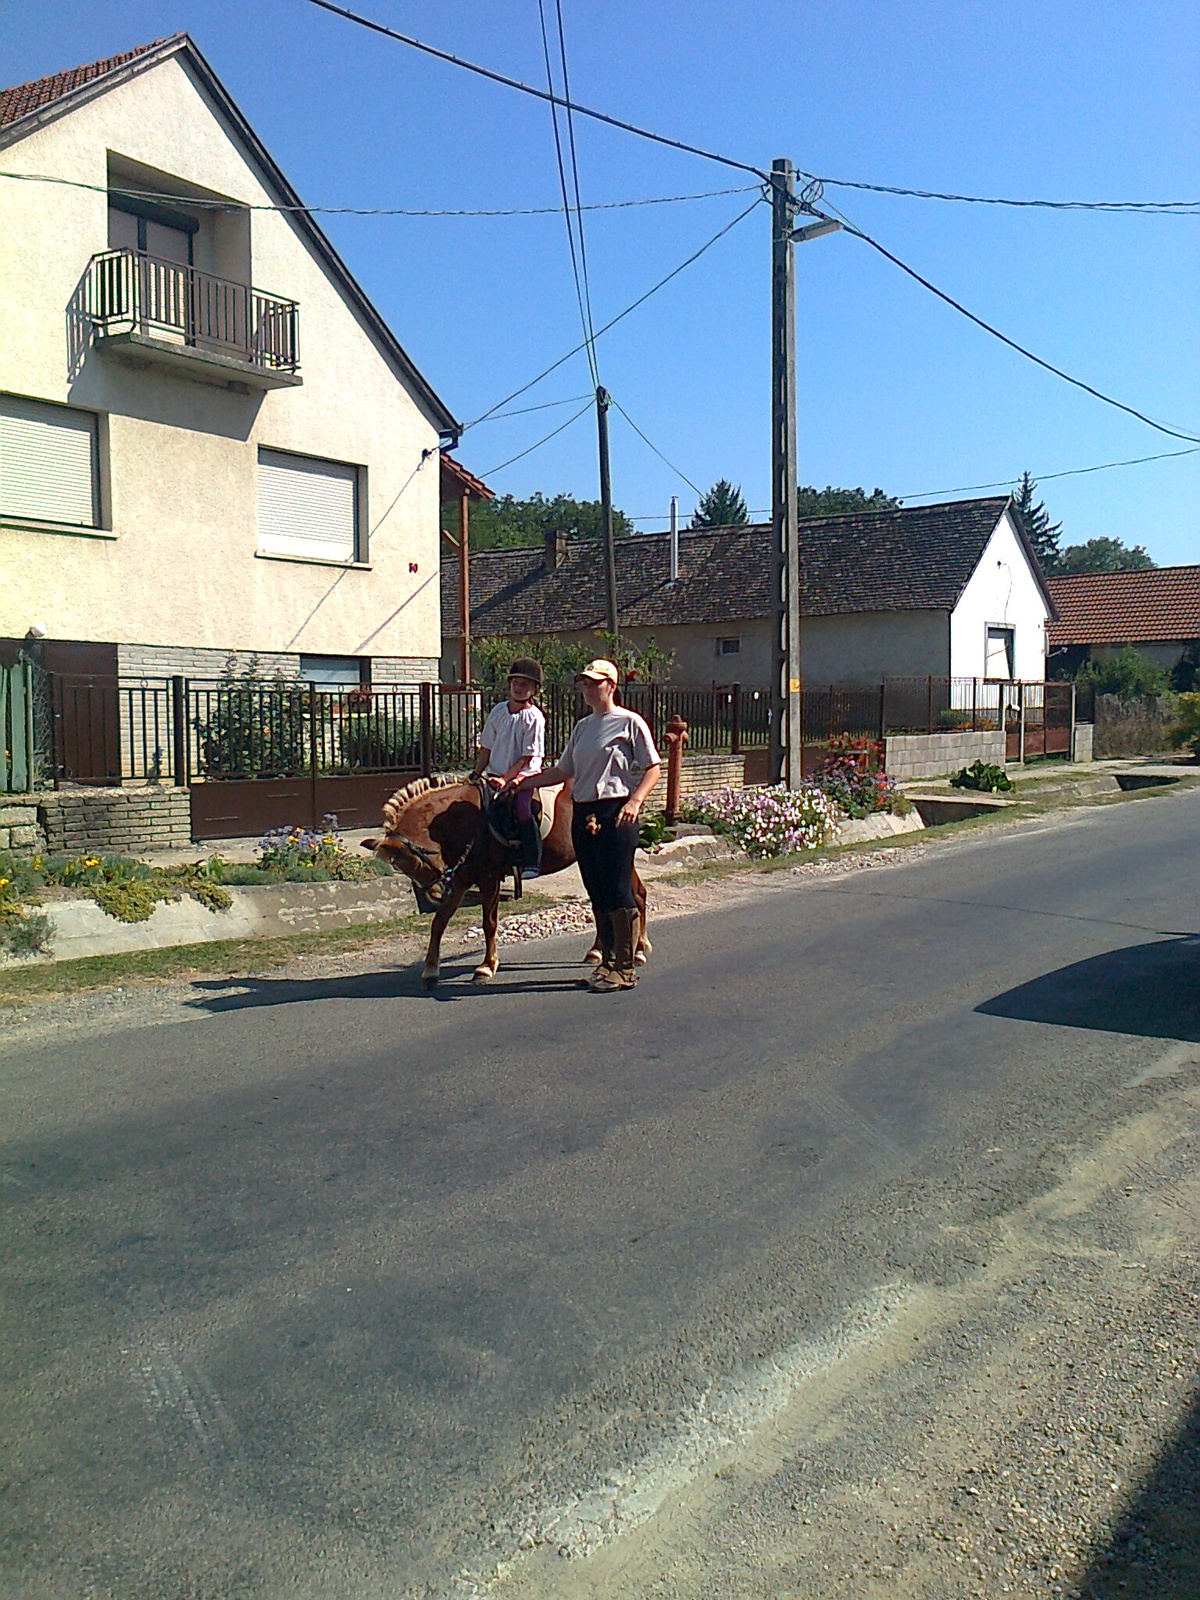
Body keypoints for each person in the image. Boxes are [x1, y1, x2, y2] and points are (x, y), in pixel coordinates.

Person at [516, 658, 661, 990]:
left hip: (617, 811)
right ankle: (607, 961)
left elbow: (653, 767)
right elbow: (563, 770)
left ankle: (624, 967)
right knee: (595, 887)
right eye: (583, 683)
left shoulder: (629, 722)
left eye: (594, 683)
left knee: (618, 886)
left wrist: (635, 801)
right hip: (585, 811)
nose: (587, 689)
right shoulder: (582, 727)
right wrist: (524, 783)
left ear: (610, 685)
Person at [471, 657, 546, 877]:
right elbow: (486, 747)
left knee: (522, 808)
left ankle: (532, 860)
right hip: (495, 773)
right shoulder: (498, 712)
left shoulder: (534, 718)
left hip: (524, 775)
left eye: (525, 684)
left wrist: (507, 779)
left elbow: (526, 757)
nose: (519, 688)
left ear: (534, 690)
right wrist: (476, 774)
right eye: (516, 683)